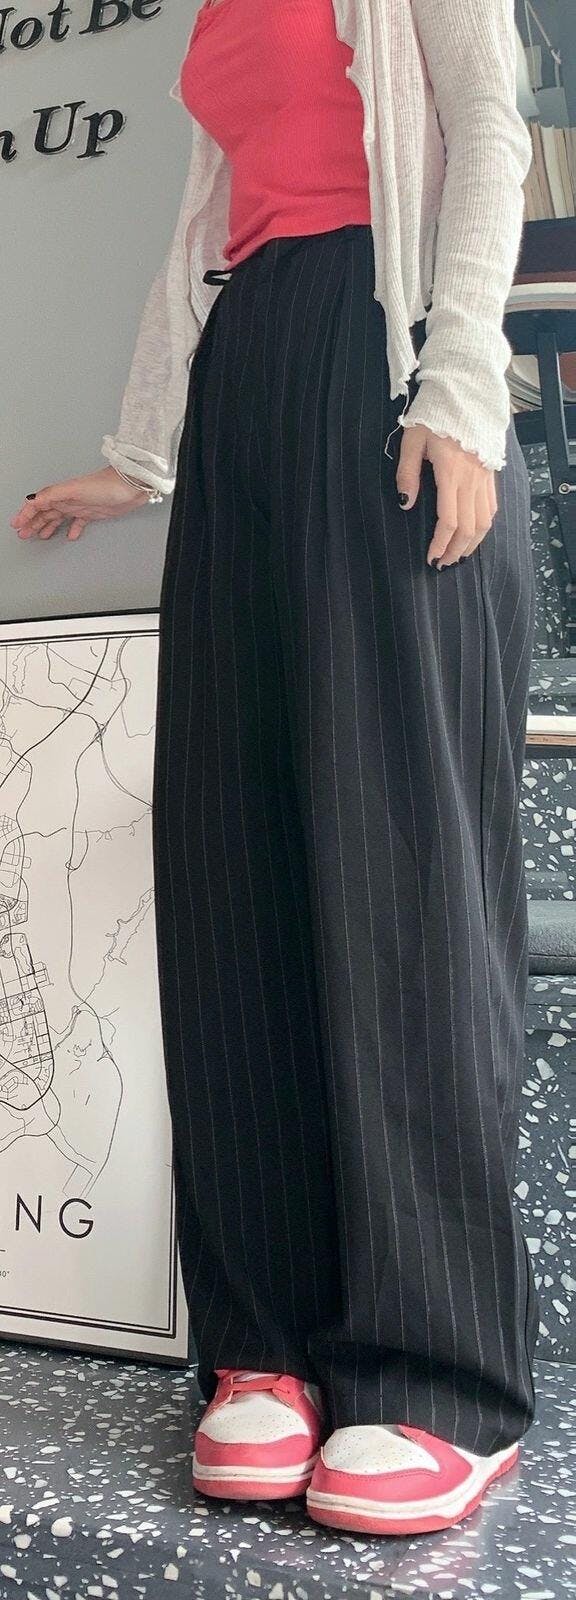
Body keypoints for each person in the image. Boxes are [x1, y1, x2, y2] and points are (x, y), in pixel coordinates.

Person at [11, 0, 540, 1538]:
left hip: (383, 362)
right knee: (231, 864)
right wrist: (143, 458)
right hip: (249, 375)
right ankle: (270, 1346)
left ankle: (438, 1376)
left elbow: (487, 128)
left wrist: (461, 385)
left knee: (399, 879)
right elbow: (212, 228)